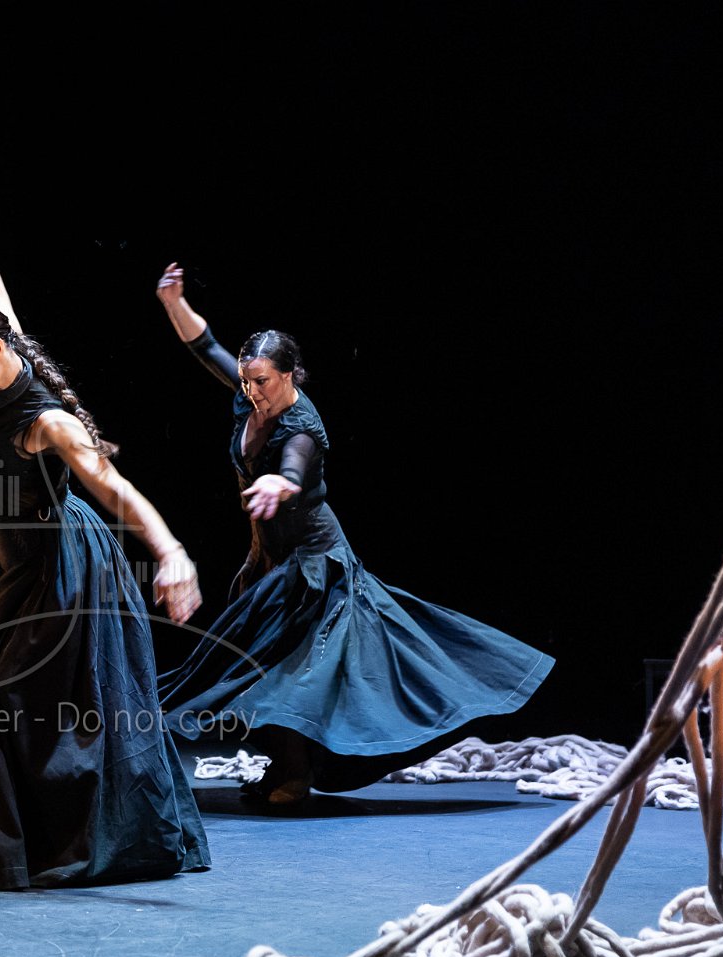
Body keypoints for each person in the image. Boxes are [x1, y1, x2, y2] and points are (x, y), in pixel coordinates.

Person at [0, 147, 210, 888]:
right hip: (8, 563)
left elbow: (112, 487)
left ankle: (62, 845)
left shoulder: (47, 422)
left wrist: (170, 550)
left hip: (60, 569)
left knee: (41, 713)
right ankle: (8, 846)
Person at [153, 261, 555, 803]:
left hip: (316, 568)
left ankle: (293, 775)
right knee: (261, 665)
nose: (251, 390)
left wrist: (278, 483)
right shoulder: (252, 394)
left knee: (294, 673)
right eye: (246, 379)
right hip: (276, 560)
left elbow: (294, 469)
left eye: (261, 381)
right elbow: (206, 347)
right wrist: (174, 303)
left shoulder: (302, 428)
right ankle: (284, 768)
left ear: (290, 375)